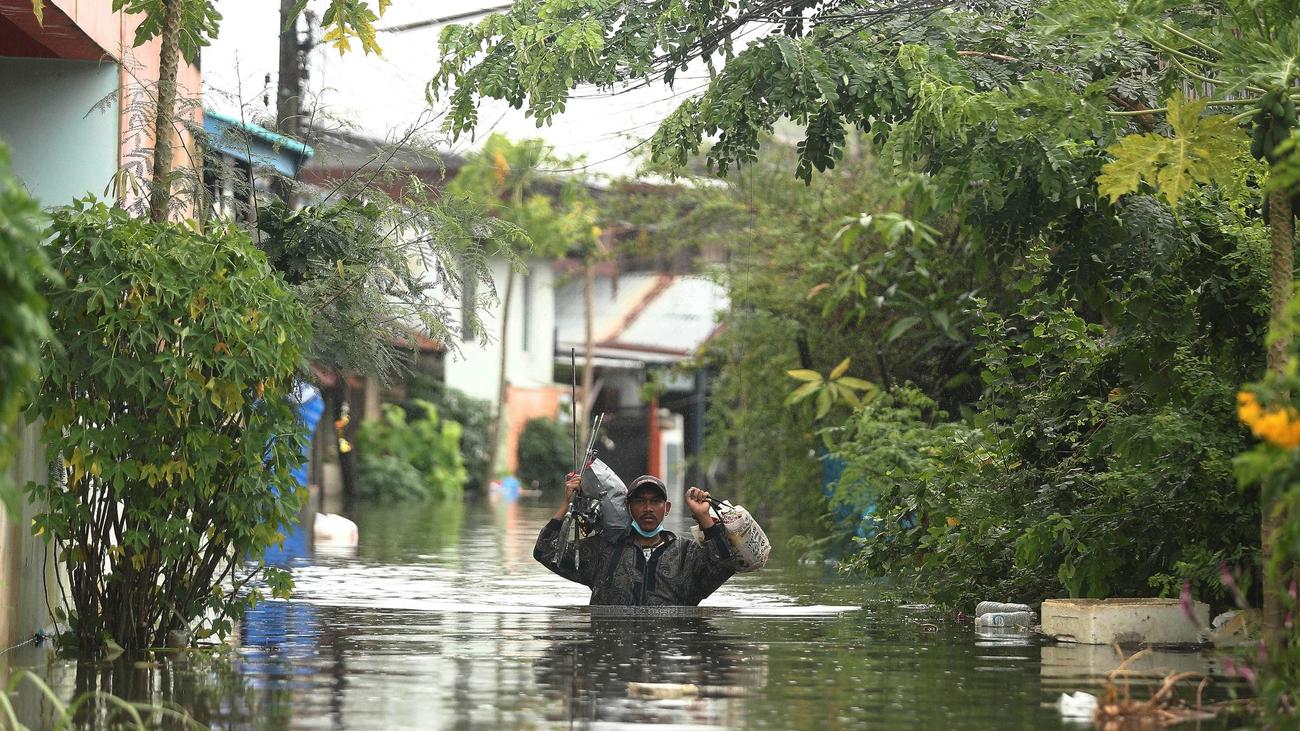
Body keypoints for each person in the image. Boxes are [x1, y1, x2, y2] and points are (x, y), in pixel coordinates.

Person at [533, 473, 736, 605]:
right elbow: (546, 552)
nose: (647, 508)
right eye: (640, 501)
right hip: (613, 662)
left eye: (655, 501)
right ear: (628, 507)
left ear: (667, 508)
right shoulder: (604, 549)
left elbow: (724, 565)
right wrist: (566, 504)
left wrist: (704, 518)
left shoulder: (686, 553)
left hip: (667, 657)